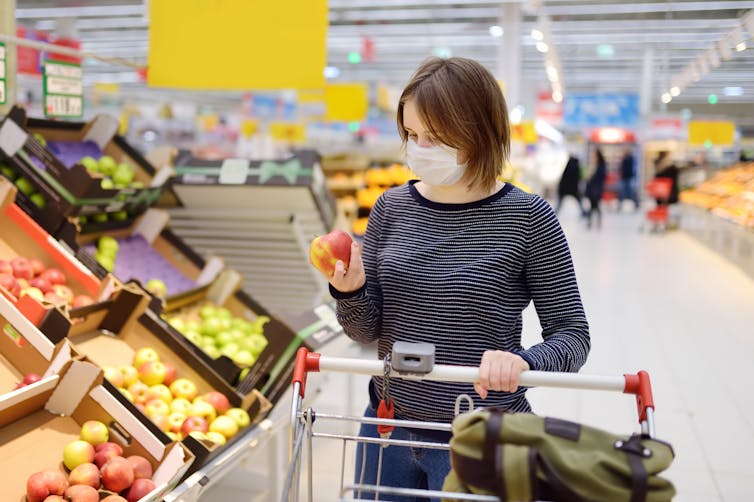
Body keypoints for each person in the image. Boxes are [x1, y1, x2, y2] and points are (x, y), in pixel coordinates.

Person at [314, 57, 590, 501]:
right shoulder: (391, 208)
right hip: (389, 426)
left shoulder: (528, 218)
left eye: (437, 139)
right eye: (412, 135)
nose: (419, 149)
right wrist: (350, 292)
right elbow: (366, 332)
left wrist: (522, 363)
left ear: (481, 133)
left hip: (479, 433)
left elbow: (574, 336)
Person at [585, 148, 607, 229]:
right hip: (595, 188)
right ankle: (593, 222)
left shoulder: (601, 166)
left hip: (596, 189)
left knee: (595, 206)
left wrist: (592, 178)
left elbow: (600, 177)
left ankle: (593, 222)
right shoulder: (599, 165)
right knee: (593, 206)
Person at [618, 147, 639, 211]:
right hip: (625, 178)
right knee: (622, 192)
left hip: (629, 178)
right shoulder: (624, 159)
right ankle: (620, 204)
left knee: (631, 192)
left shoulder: (631, 159)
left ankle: (636, 204)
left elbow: (632, 169)